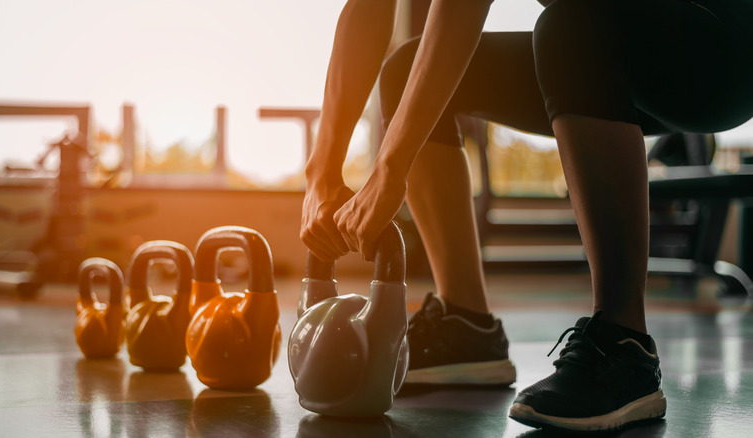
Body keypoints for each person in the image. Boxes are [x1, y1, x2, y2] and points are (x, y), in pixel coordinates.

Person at [300, 0, 753, 432]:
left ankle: (624, 345)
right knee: (406, 69)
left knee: (571, 23)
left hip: (722, 43)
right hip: (599, 44)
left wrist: (389, 168)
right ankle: (466, 327)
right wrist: (321, 174)